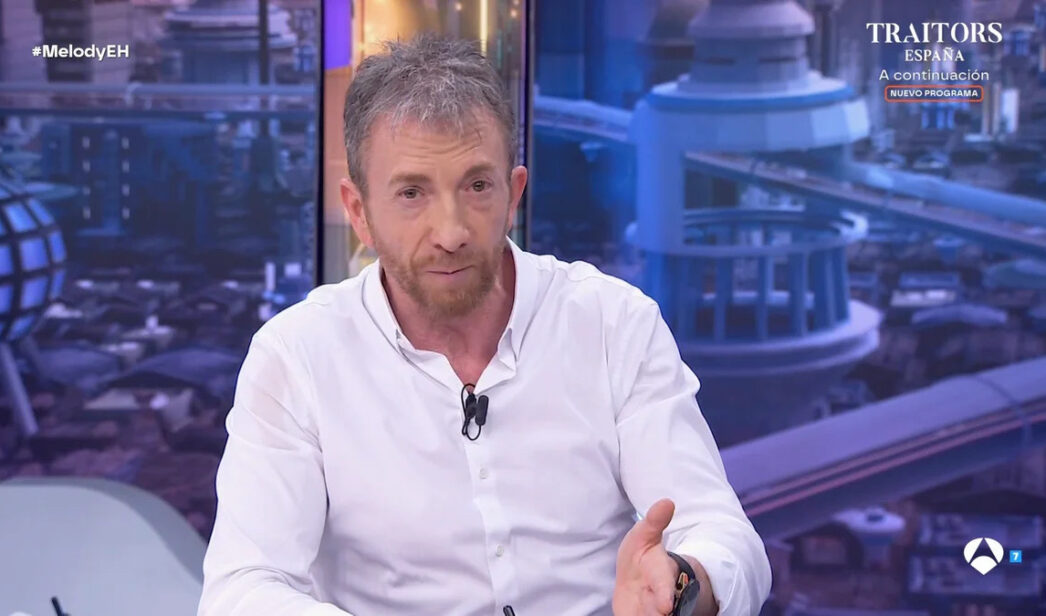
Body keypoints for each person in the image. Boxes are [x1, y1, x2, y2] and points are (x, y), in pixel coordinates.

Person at [198, 33, 772, 616]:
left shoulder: (612, 323)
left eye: (476, 186)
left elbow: (724, 536)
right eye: (412, 193)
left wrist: (680, 588)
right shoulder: (297, 355)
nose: (451, 232)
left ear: (513, 194)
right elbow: (242, 589)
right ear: (359, 212)